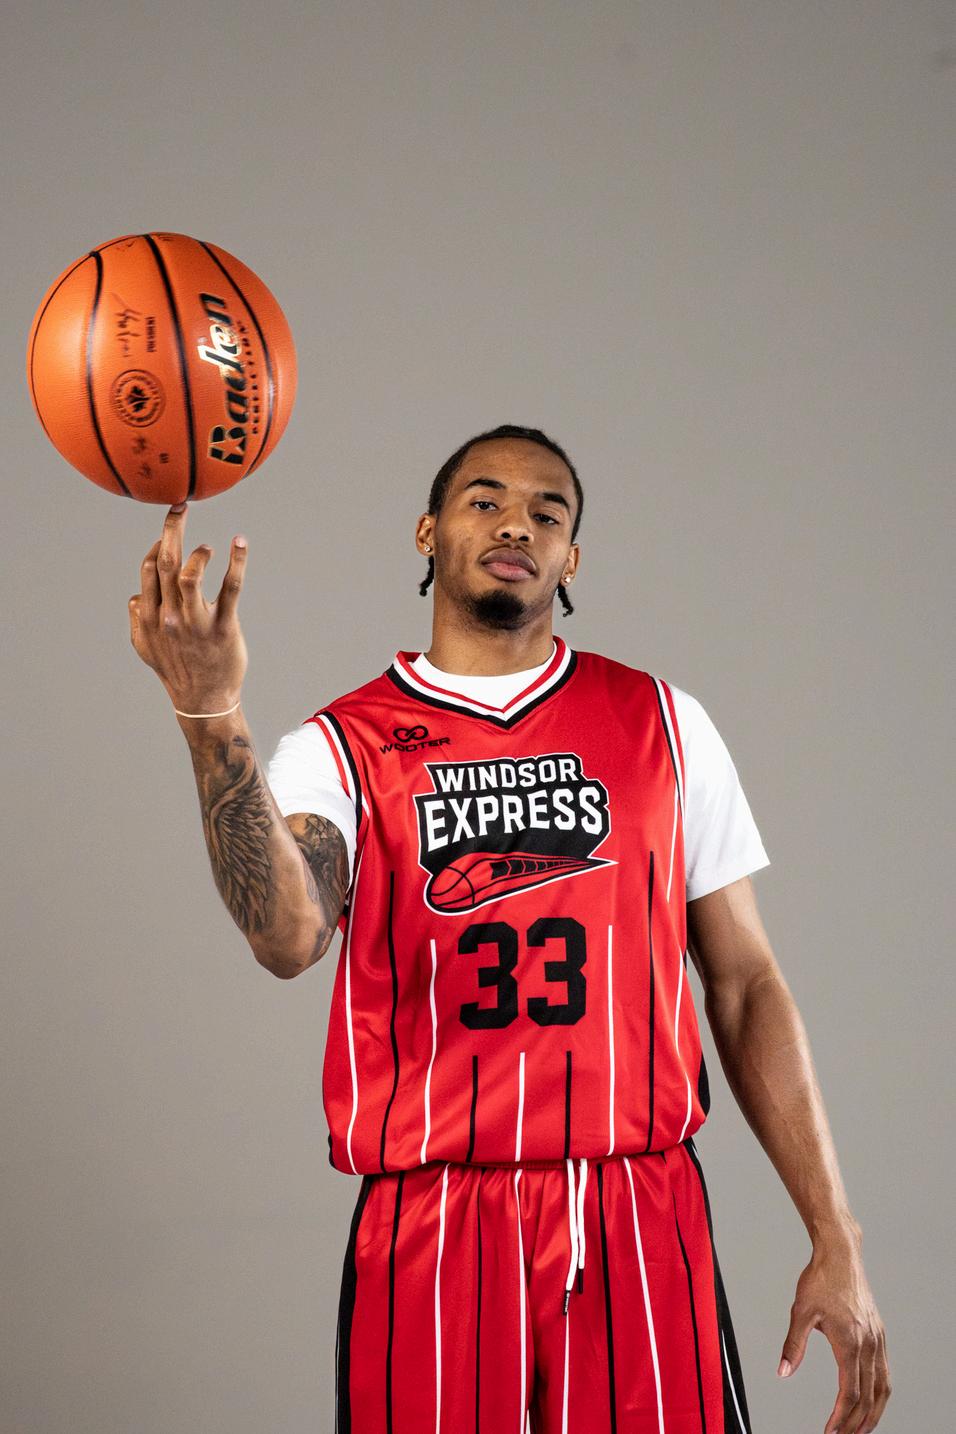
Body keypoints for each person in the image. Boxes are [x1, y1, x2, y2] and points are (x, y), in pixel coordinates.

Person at [129, 423, 891, 1434]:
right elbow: (286, 937)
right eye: (483, 500)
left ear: (571, 558)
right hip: (432, 1212)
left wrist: (833, 1233)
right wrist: (212, 712)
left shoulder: (664, 724)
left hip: (635, 1201)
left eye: (546, 512)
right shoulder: (341, 745)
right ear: (427, 532)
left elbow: (746, 986)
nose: (515, 525)